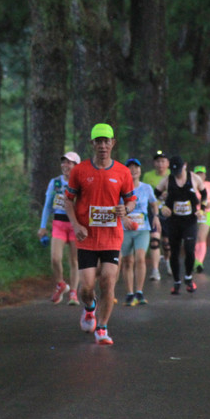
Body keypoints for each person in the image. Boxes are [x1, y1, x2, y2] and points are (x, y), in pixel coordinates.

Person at [63, 123, 136, 346]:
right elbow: (68, 200)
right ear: (92, 144)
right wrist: (75, 225)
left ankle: (102, 328)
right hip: (86, 237)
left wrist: (126, 209)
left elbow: (131, 200)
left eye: (106, 141)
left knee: (108, 280)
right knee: (86, 288)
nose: (103, 145)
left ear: (113, 143)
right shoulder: (80, 171)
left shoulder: (123, 172)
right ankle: (89, 307)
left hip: (111, 237)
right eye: (98, 141)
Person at [156, 156, 206, 295]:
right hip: (174, 221)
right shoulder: (167, 180)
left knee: (189, 250)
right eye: (174, 171)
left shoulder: (194, 178)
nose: (176, 174)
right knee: (175, 251)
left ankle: (188, 277)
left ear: (185, 165)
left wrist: (202, 209)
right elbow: (154, 195)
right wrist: (161, 207)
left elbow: (204, 194)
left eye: (178, 170)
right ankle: (177, 281)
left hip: (190, 221)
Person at [38, 152, 82, 305]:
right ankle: (61, 284)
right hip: (59, 223)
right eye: (64, 162)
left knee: (74, 260)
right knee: (55, 258)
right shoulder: (55, 182)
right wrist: (42, 226)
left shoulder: (81, 183)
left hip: (75, 225)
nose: (65, 165)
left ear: (76, 166)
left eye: (69, 163)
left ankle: (73, 293)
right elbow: (47, 205)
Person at [120, 158, 160, 306]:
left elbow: (154, 203)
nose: (133, 170)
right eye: (130, 168)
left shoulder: (146, 188)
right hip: (125, 230)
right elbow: (116, 206)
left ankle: (139, 292)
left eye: (136, 167)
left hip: (142, 229)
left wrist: (156, 216)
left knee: (140, 258)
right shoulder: (120, 188)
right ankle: (129, 293)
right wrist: (124, 218)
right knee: (127, 261)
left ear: (140, 170)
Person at [141, 151, 170, 280]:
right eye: (158, 161)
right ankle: (155, 270)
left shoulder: (172, 175)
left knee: (167, 243)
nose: (160, 164)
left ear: (168, 163)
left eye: (163, 161)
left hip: (168, 213)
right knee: (154, 241)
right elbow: (143, 193)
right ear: (154, 163)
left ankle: (168, 261)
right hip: (154, 213)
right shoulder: (148, 176)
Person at [192, 165, 210, 272]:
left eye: (201, 174)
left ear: (205, 175)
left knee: (201, 237)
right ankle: (193, 259)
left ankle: (199, 262)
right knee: (193, 237)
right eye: (197, 174)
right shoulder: (190, 185)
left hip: (206, 213)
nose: (199, 176)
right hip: (193, 213)